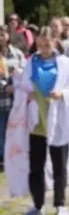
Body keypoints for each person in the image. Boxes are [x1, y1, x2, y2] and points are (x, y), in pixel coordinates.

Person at [4, 26, 69, 215]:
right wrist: (25, 94)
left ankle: (60, 204)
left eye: (46, 44)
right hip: (37, 123)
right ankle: (38, 205)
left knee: (59, 166)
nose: (43, 48)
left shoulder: (66, 65)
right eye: (39, 45)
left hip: (59, 123)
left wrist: (62, 94)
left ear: (55, 41)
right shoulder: (31, 63)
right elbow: (22, 87)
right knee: (36, 166)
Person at [0, 26, 26, 168]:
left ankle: (15, 158)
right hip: (1, 100)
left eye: (3, 34)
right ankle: (4, 159)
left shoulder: (17, 54)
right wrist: (4, 86)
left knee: (15, 132)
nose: (1, 38)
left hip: (16, 102)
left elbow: (25, 73)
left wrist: (16, 87)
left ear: (8, 36)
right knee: (1, 132)